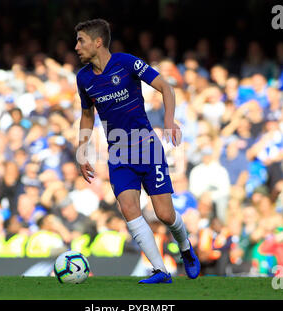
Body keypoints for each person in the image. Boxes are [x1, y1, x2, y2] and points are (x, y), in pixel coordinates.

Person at [74, 19, 200, 284]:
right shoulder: (83, 78)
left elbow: (166, 87)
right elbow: (87, 114)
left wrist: (168, 120)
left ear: (98, 42)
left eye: (81, 40)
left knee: (165, 214)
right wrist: (82, 149)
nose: (76, 47)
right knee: (129, 209)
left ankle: (186, 248)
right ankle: (160, 270)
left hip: (147, 148)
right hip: (118, 154)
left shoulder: (127, 62)